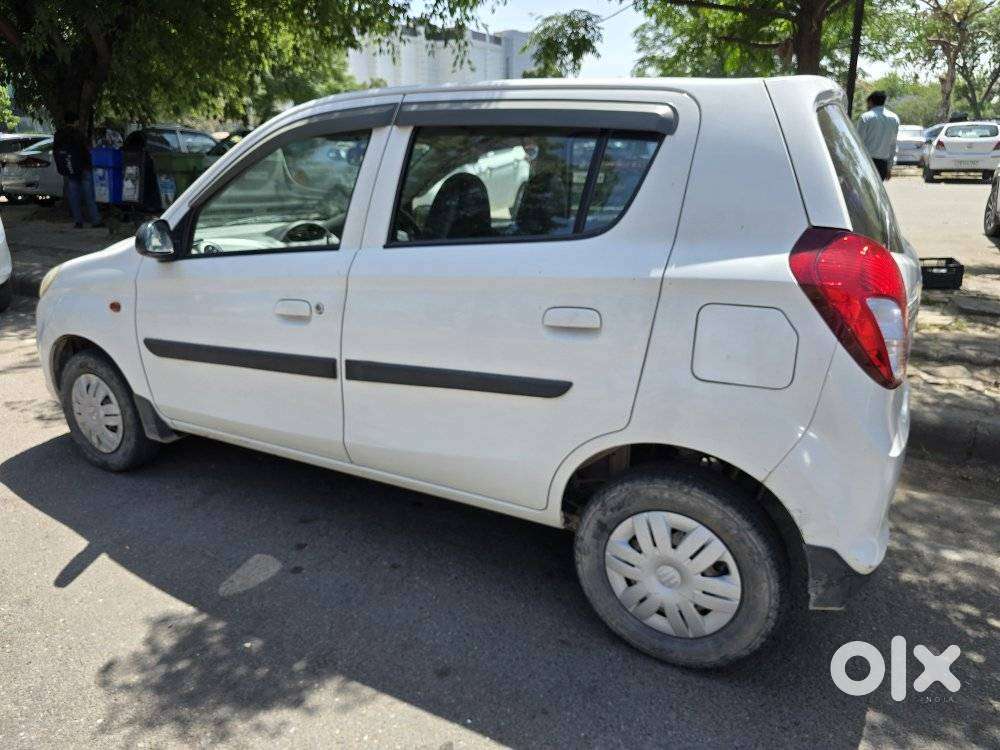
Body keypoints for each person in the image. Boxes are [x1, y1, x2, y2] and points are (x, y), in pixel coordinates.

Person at [52, 112, 103, 228]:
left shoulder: (59, 135)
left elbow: (56, 151)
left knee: (73, 196)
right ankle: (95, 220)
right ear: (76, 122)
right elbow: (85, 151)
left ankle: (78, 221)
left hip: (69, 169)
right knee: (89, 196)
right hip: (83, 168)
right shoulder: (79, 134)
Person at [856, 91, 900, 181]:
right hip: (883, 164)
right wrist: (889, 167)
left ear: (870, 102)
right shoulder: (894, 118)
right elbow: (893, 145)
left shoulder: (866, 117)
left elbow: (859, 143)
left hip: (867, 162)